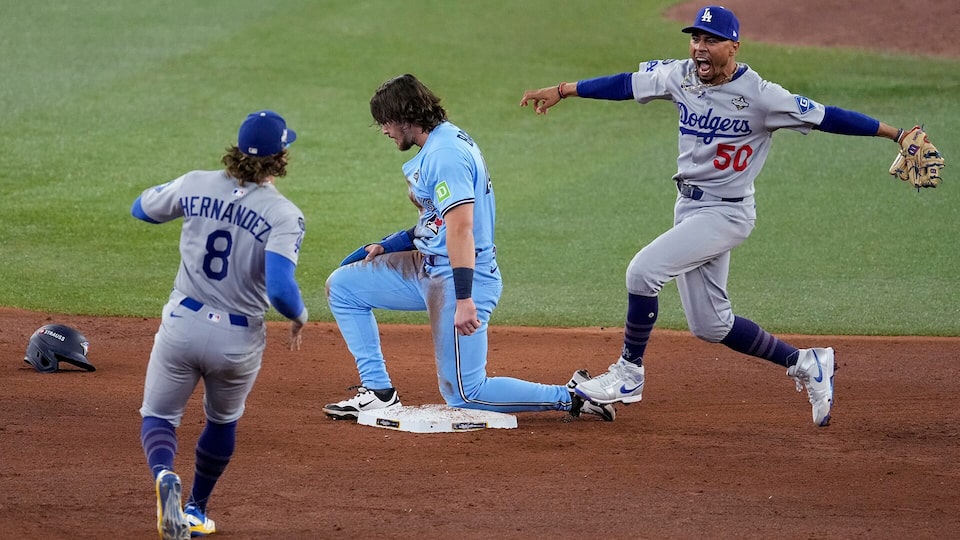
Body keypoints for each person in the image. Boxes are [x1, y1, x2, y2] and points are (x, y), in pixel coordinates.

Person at [520, 5, 943, 427]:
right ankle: (806, 362)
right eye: (696, 39)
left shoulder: (762, 96)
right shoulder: (680, 75)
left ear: (733, 47)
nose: (700, 49)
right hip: (688, 207)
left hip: (726, 213)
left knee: (642, 273)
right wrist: (564, 88)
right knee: (710, 324)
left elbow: (827, 115)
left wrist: (896, 133)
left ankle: (629, 374)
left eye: (711, 41)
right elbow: (626, 85)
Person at [323, 74, 614, 422]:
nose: (384, 131)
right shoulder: (439, 142)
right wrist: (389, 244)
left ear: (404, 117)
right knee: (343, 286)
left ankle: (574, 397)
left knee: (465, 392)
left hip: (460, 277)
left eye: (385, 122)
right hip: (427, 267)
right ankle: (378, 393)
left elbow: (461, 230)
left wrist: (463, 299)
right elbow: (438, 221)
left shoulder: (445, 155)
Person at [132, 110, 308, 539]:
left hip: (182, 323)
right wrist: (300, 317)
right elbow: (283, 291)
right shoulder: (285, 214)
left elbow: (142, 209)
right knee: (221, 422)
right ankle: (196, 508)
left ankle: (162, 474)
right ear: (280, 157)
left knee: (158, 415)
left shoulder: (195, 182)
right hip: (236, 339)